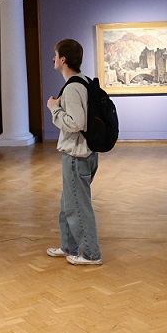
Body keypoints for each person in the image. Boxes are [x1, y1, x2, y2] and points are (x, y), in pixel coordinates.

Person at [46, 38, 102, 266]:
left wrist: (54, 109)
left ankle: (90, 253)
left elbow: (76, 122)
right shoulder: (84, 82)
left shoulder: (72, 88)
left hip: (76, 155)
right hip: (87, 152)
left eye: (55, 54)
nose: (52, 58)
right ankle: (68, 245)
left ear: (63, 59)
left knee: (78, 205)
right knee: (68, 203)